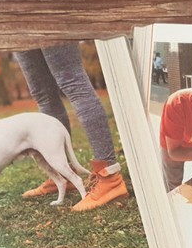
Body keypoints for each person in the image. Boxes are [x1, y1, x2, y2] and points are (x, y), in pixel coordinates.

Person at [13, 45, 128, 212]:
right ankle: (63, 173)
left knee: (72, 81)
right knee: (42, 92)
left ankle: (110, 177)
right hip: (16, 31)